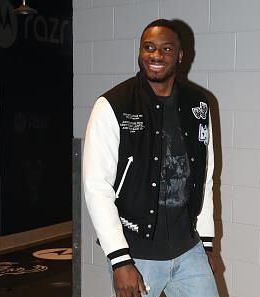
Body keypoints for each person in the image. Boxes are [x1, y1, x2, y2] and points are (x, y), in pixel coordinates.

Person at [83, 19, 218, 297]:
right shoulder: (113, 105)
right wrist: (120, 259)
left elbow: (204, 177)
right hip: (137, 253)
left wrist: (206, 243)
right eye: (149, 47)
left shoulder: (198, 105)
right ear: (140, 52)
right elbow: (97, 187)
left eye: (166, 48)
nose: (156, 55)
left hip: (188, 249)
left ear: (180, 56)